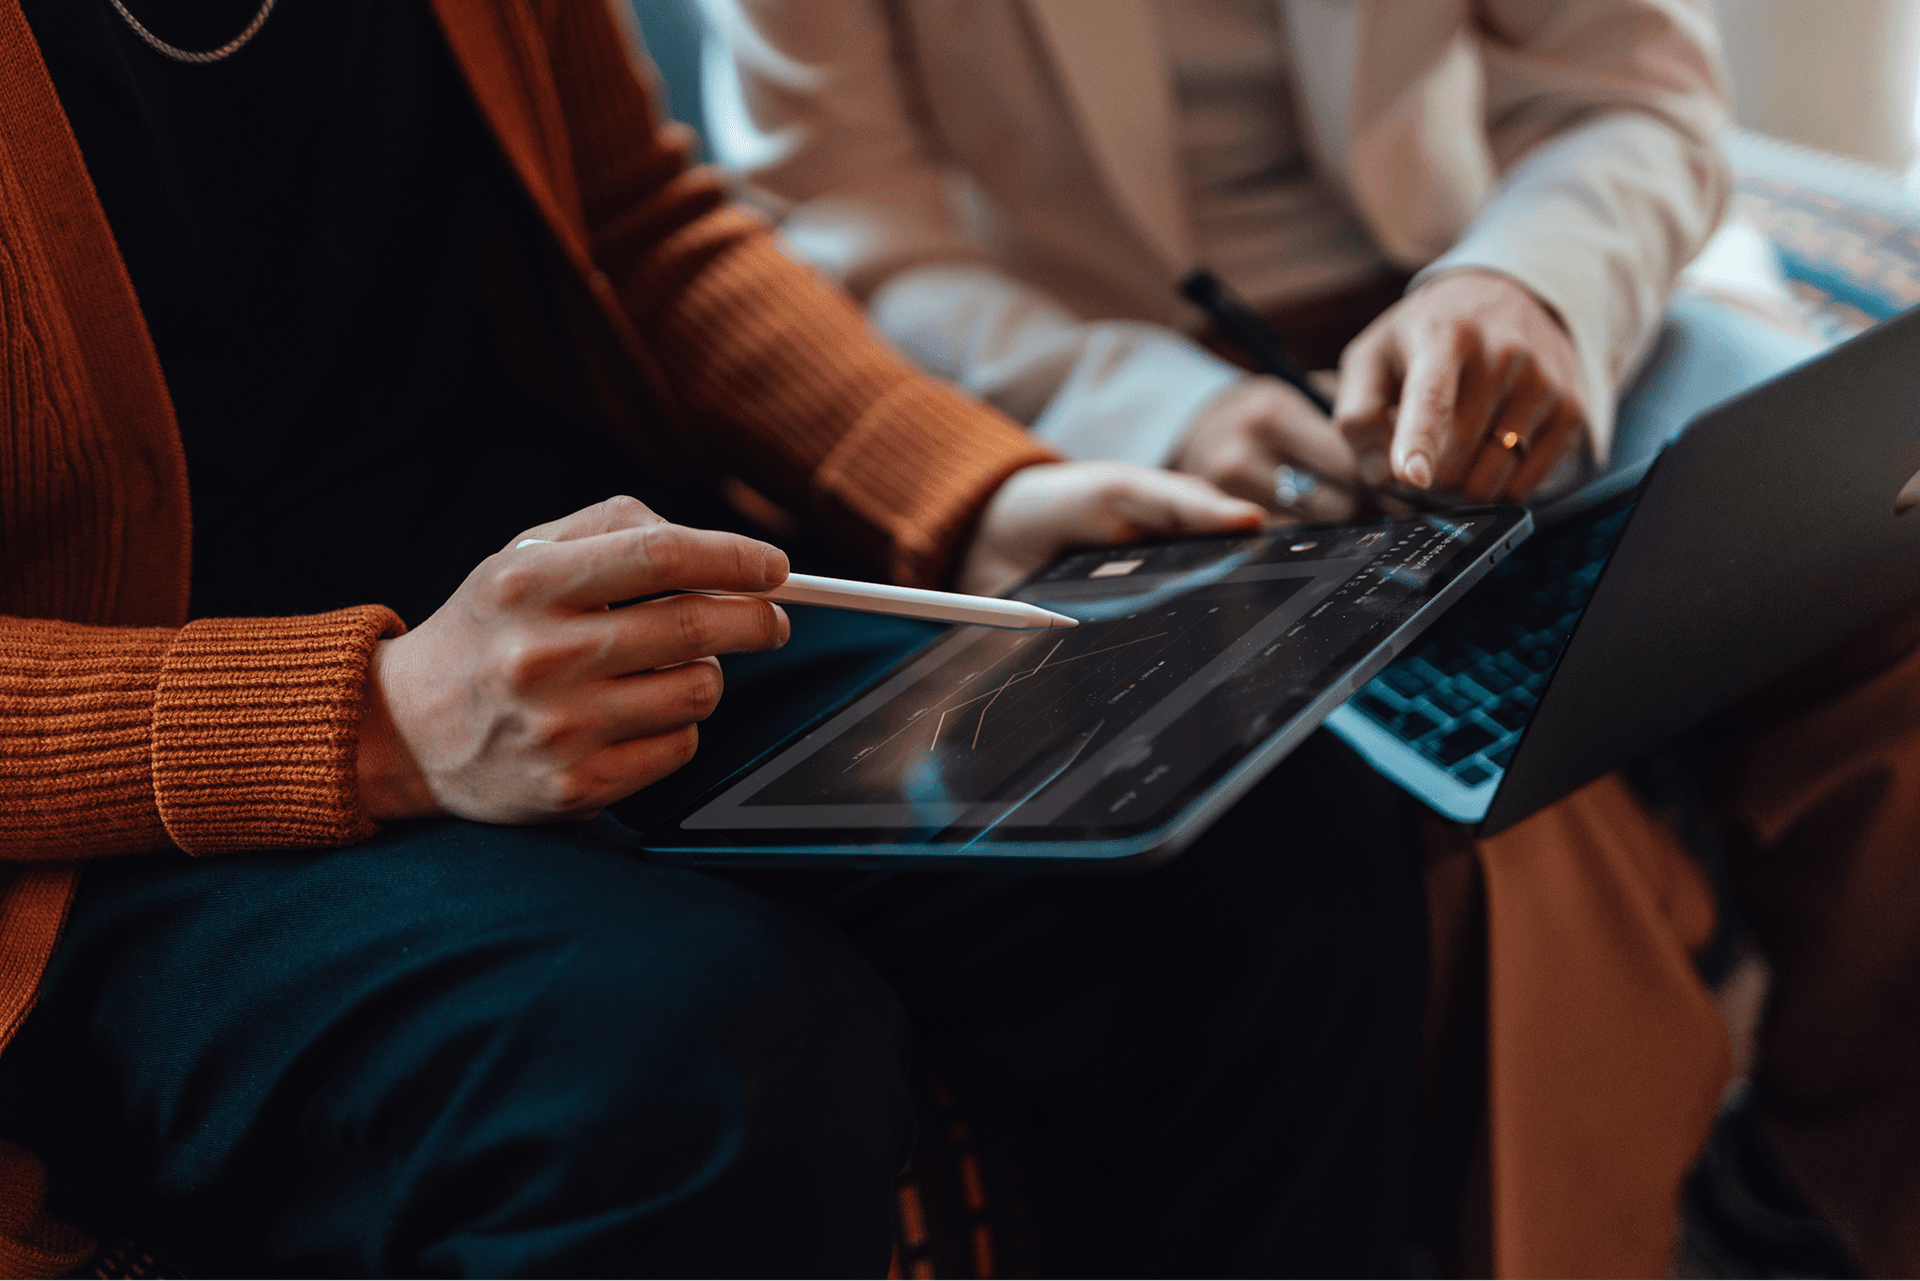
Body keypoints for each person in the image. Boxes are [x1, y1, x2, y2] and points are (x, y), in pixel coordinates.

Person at [0, 0, 1443, 1276]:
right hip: (114, 819)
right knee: (703, 1063)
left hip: (561, 605)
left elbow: (636, 221)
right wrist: (374, 717)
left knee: (1251, 818)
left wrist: (966, 489)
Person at [698, 1, 1920, 1276]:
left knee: (1882, 575)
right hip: (1108, 386)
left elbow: (1629, 85)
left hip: (1509, 284)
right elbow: (844, 236)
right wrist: (1167, 412)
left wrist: (1531, 283)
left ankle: (1821, 1201)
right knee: (1503, 838)